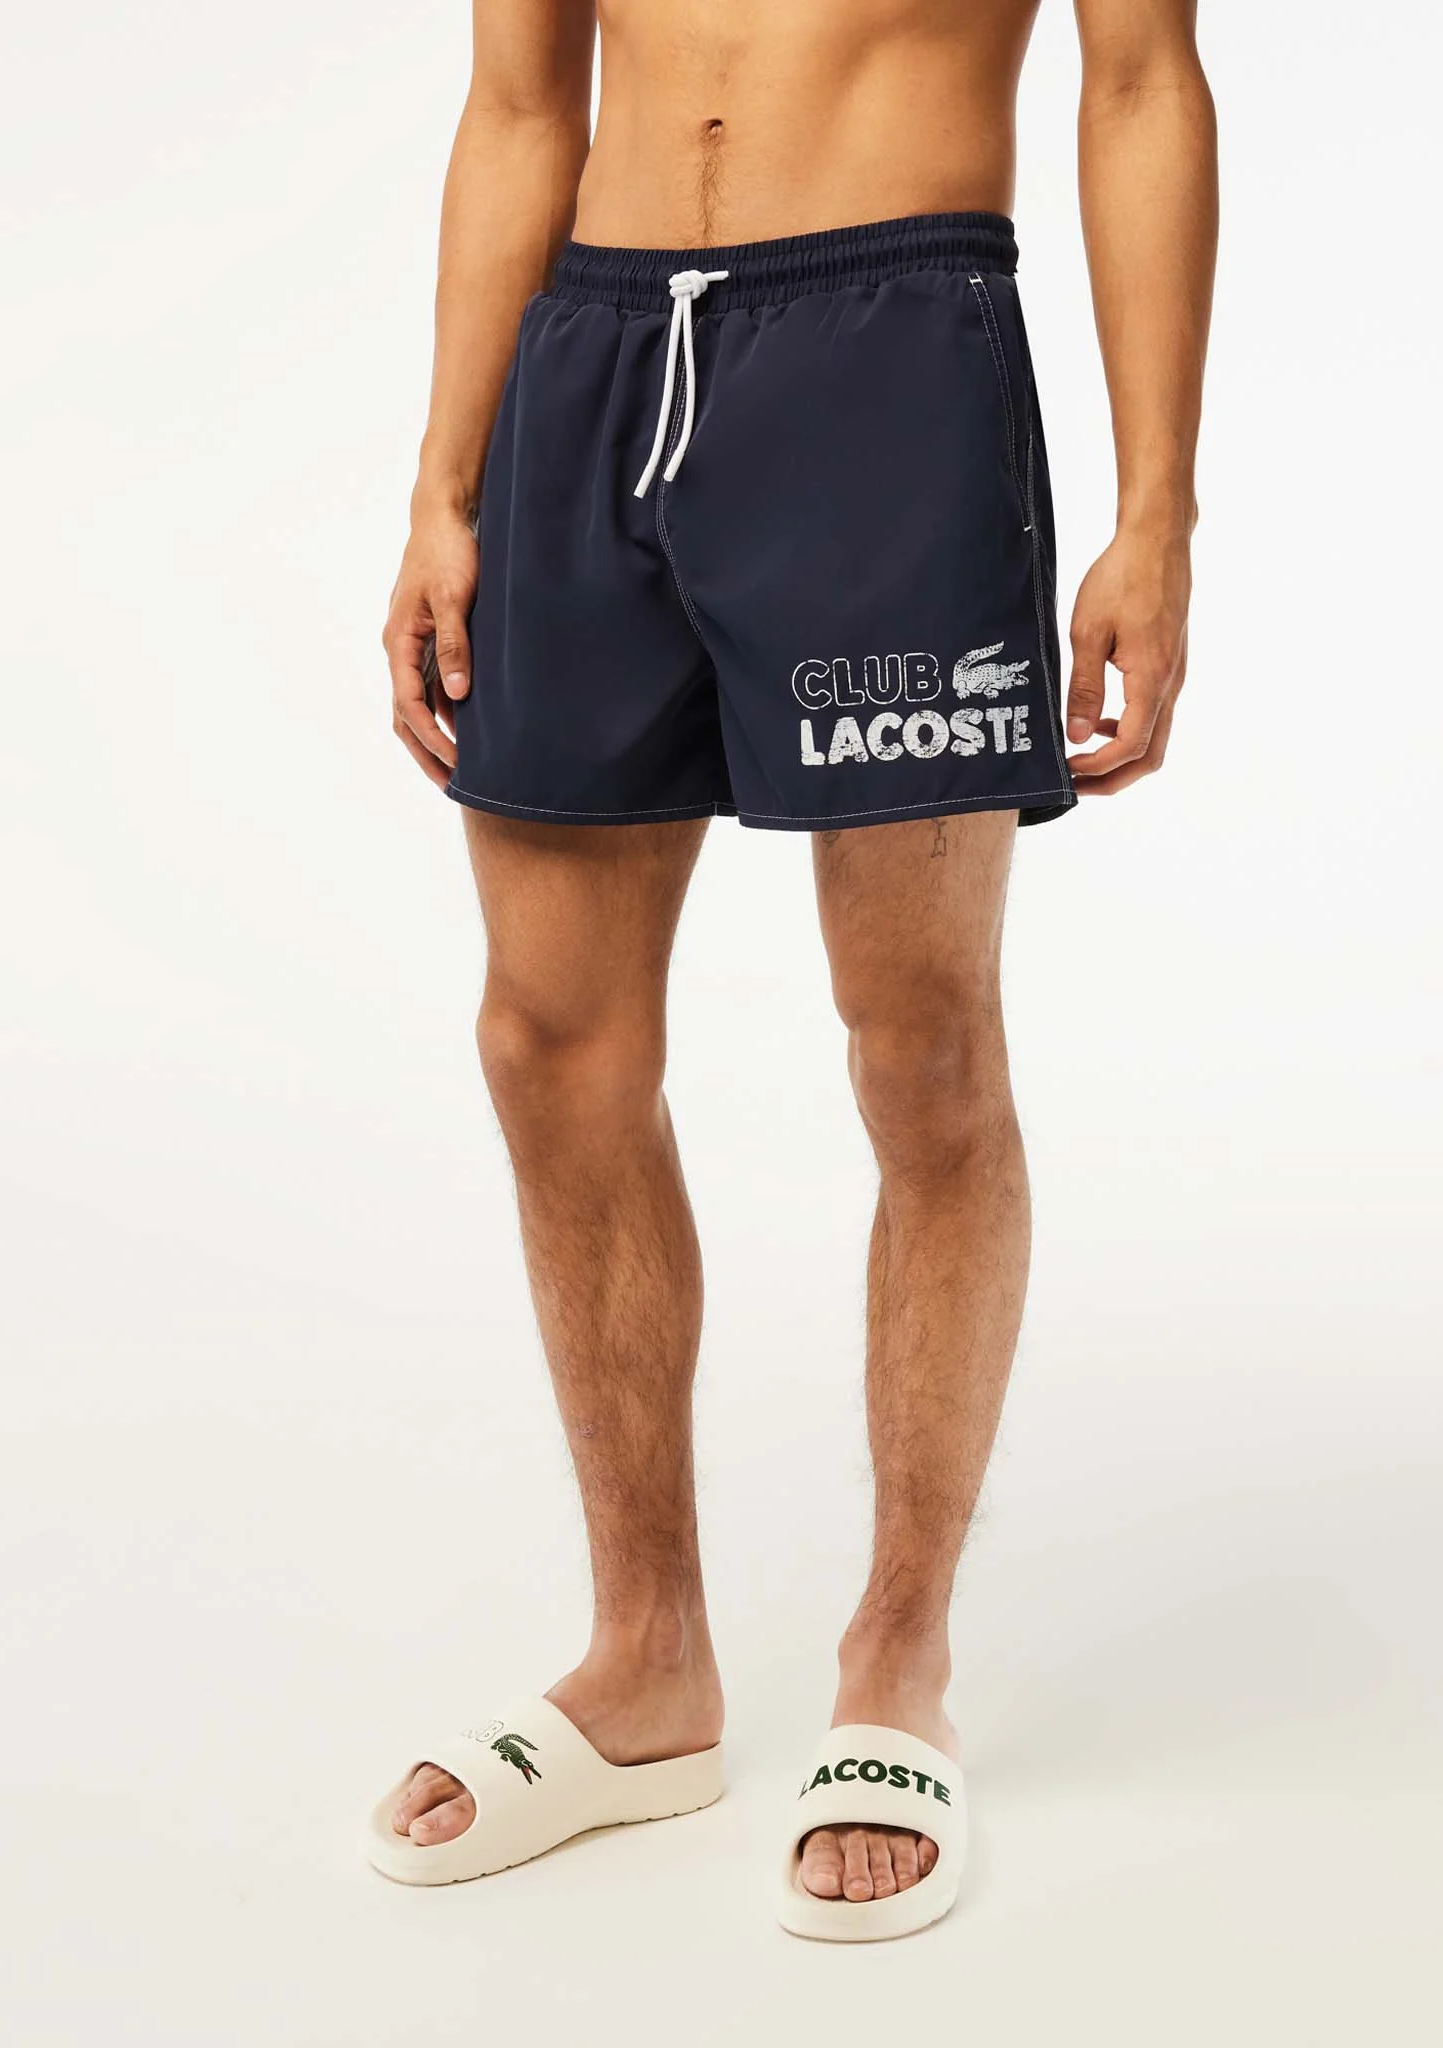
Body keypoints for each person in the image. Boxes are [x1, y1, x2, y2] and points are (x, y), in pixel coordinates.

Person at [370, 0, 1217, 1940]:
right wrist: (443, 479)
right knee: (547, 1040)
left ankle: (896, 1653)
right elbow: (516, 107)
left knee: (917, 1047)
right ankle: (645, 1660)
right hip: (588, 362)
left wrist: (1154, 510)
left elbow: (1138, 81)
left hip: (889, 356)